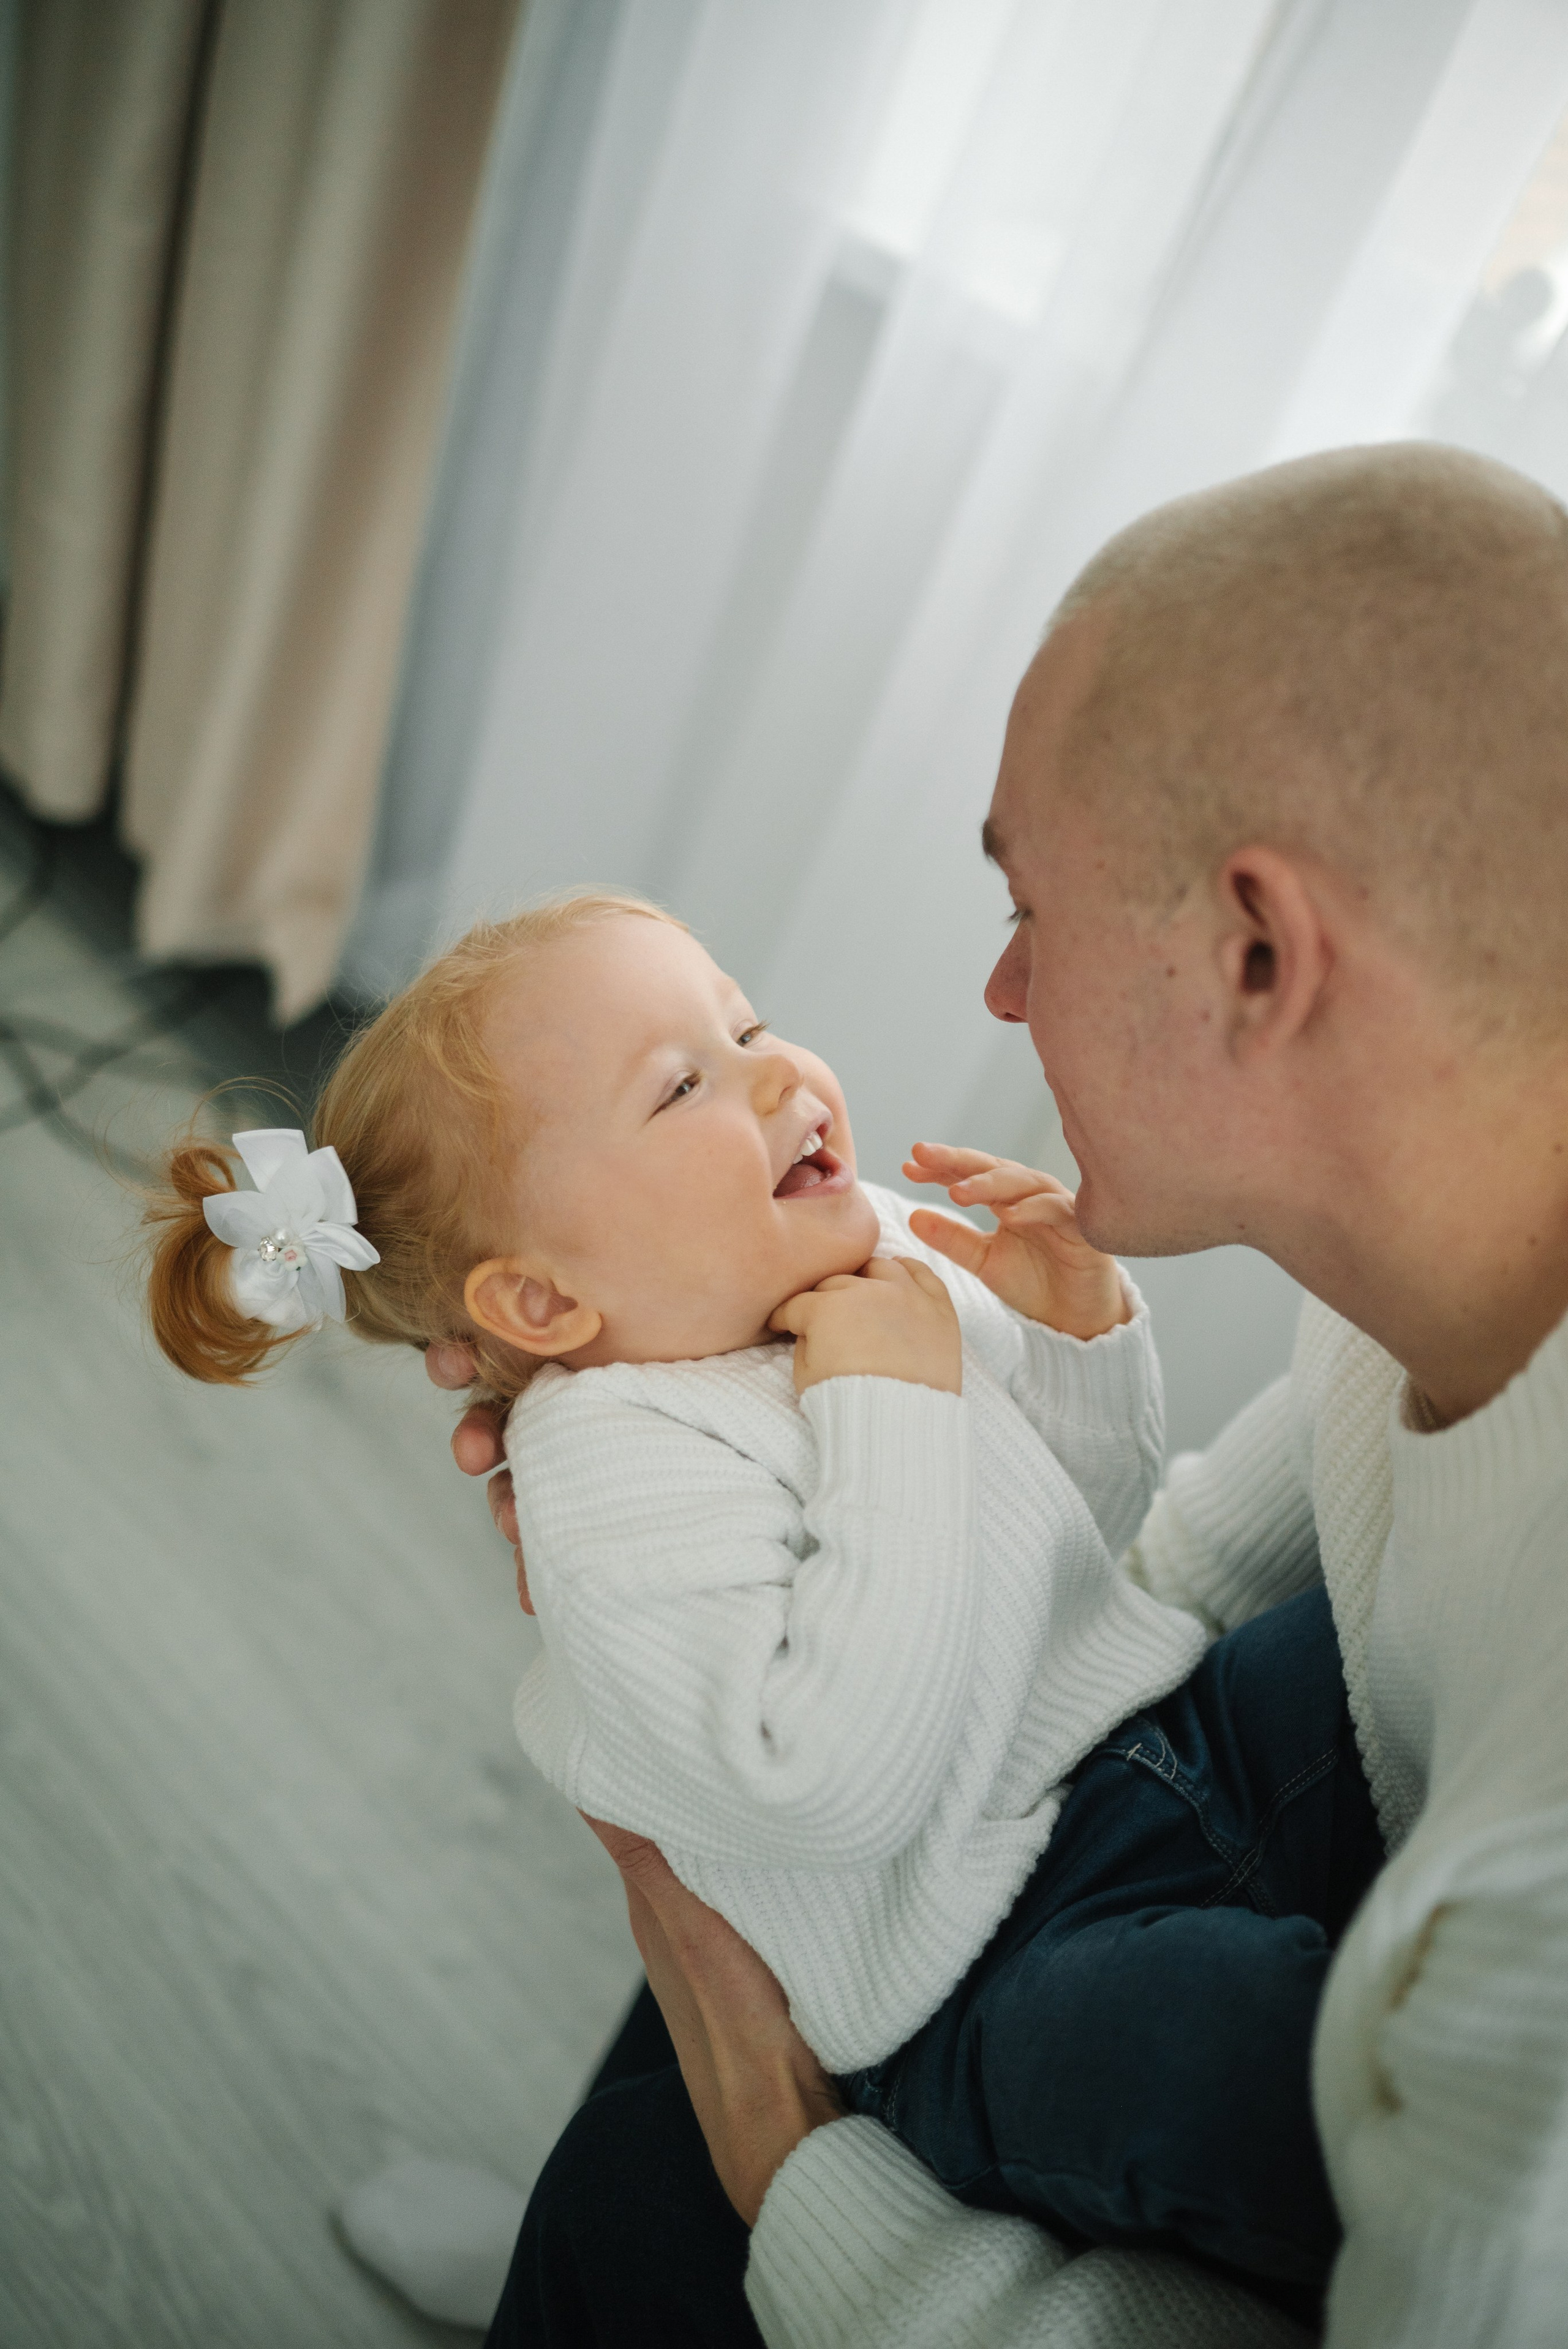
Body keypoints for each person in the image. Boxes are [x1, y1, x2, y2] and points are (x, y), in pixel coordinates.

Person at [443, 443, 1568, 2347]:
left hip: (1159, 2063)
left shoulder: (1521, 1996)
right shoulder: (1439, 1281)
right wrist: (719, 1523)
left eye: (1028, 906)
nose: (993, 988)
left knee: (657, 2199)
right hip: (1076, 1828)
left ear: (1260, 952)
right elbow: (1164, 1563)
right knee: (695, 2042)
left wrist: (785, 2159)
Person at [144, 883, 1378, 2320]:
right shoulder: (613, 1460)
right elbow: (824, 1786)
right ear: (541, 1306)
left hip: (1169, 1733)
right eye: (683, 1088)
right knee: (1233, 2068)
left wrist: (1077, 1334)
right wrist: (891, 1398)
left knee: (1350, 1668)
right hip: (993, 1966)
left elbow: (1076, 1548)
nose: (780, 1073)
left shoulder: (861, 1264)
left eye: (747, 1026)